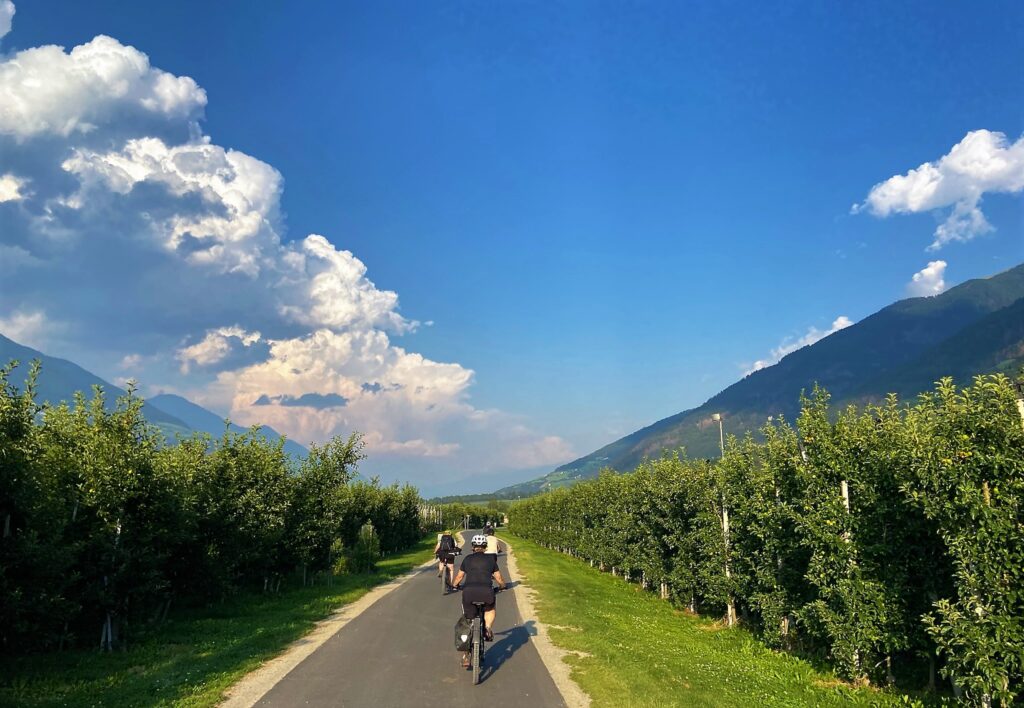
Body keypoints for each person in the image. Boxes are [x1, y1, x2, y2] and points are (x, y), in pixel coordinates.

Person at [452, 534, 506, 668]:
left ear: (473, 546)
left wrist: (454, 585)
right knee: (490, 608)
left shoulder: (467, 559)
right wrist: (502, 586)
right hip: (486, 592)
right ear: (485, 547)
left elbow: (459, 576)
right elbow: (498, 578)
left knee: (467, 621)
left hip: (469, 593)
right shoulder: (490, 560)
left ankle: (465, 656)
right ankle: (487, 628)